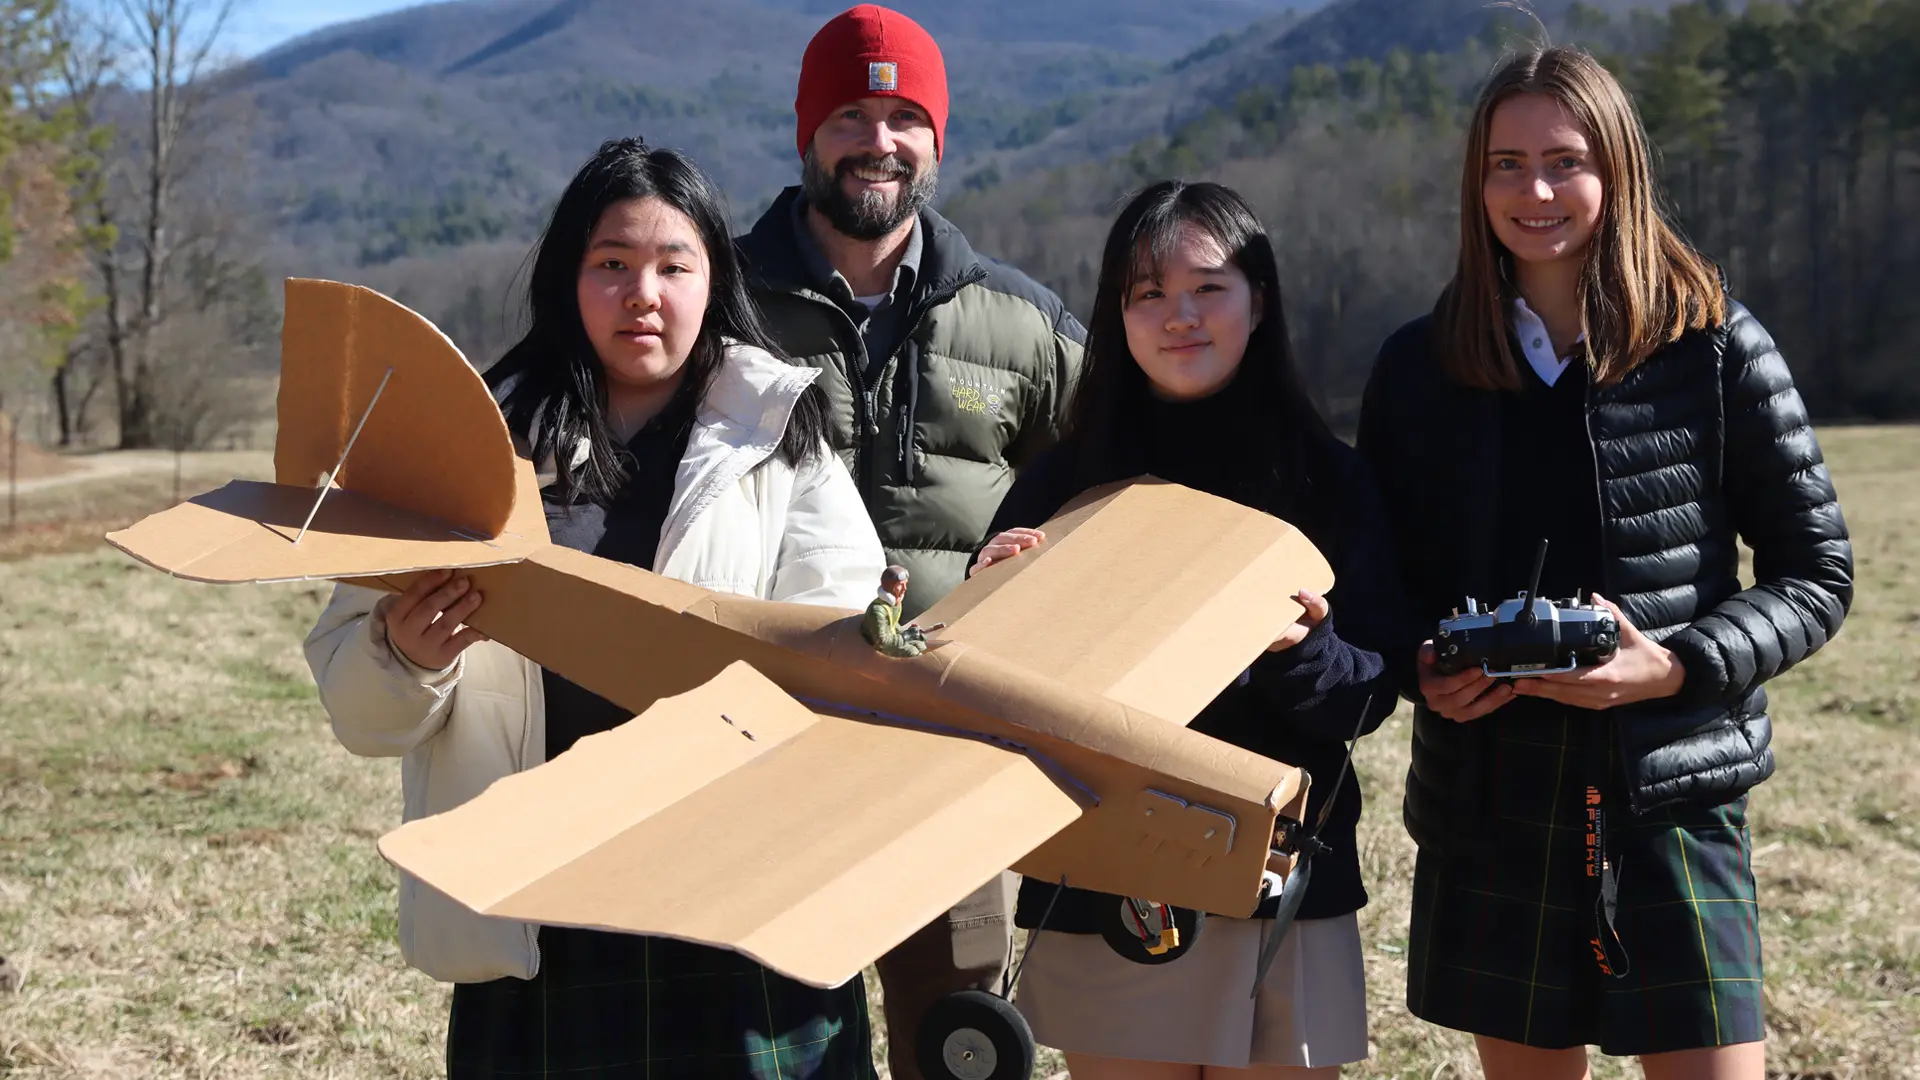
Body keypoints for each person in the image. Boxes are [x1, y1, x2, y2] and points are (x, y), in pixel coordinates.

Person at [305, 138, 886, 1079]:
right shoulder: (470, 442)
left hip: (736, 912)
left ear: (715, 279)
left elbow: (844, 654)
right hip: (542, 920)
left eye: (672, 265)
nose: (642, 293)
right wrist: (403, 656)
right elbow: (355, 708)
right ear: (568, 278)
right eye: (611, 264)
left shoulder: (782, 433)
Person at [1356, 46, 1854, 1080]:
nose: (1533, 191)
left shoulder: (1712, 343)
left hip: (1668, 786)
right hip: (1492, 792)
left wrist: (1672, 667)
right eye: (1504, 163)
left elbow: (1817, 572)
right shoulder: (1421, 365)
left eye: (1563, 160)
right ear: (1474, 180)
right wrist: (1421, 669)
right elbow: (1377, 578)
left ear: (1616, 170)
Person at [972, 180, 1403, 1079]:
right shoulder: (1063, 485)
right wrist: (997, 600)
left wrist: (1306, 651)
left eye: (1209, 287)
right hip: (1108, 868)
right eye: (1147, 294)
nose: (1180, 316)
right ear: (1116, 316)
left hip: (1286, 870)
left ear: (1260, 300)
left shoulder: (1330, 482)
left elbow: (1370, 693)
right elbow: (993, 697)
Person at [734, 7, 1084, 1074]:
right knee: (775, 1031)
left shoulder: (1023, 324)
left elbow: (1122, 476)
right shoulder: (725, 303)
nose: (877, 140)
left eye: (903, 117)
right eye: (850, 114)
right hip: (766, 742)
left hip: (956, 750)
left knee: (961, 1028)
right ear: (808, 132)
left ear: (938, 141)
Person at [862, 564, 929, 657]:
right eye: (901, 585)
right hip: (879, 646)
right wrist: (905, 636)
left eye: (906, 584)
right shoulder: (877, 611)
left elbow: (892, 625)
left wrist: (910, 632)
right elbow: (881, 642)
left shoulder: (894, 604)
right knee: (912, 652)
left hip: (891, 638)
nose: (905, 589)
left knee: (920, 645)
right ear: (890, 586)